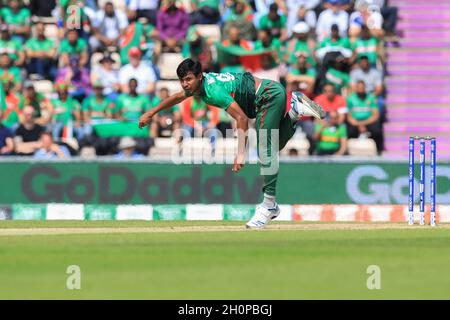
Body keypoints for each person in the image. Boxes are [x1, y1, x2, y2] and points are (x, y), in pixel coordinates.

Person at [138, 58, 325, 229]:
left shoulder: (213, 91)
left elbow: (241, 118)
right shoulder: (198, 86)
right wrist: (151, 113)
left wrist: (240, 153)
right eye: (182, 80)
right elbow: (177, 97)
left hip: (267, 96)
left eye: (188, 79)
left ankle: (268, 206)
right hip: (267, 95)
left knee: (265, 150)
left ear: (199, 77)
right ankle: (293, 111)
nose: (185, 84)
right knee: (272, 148)